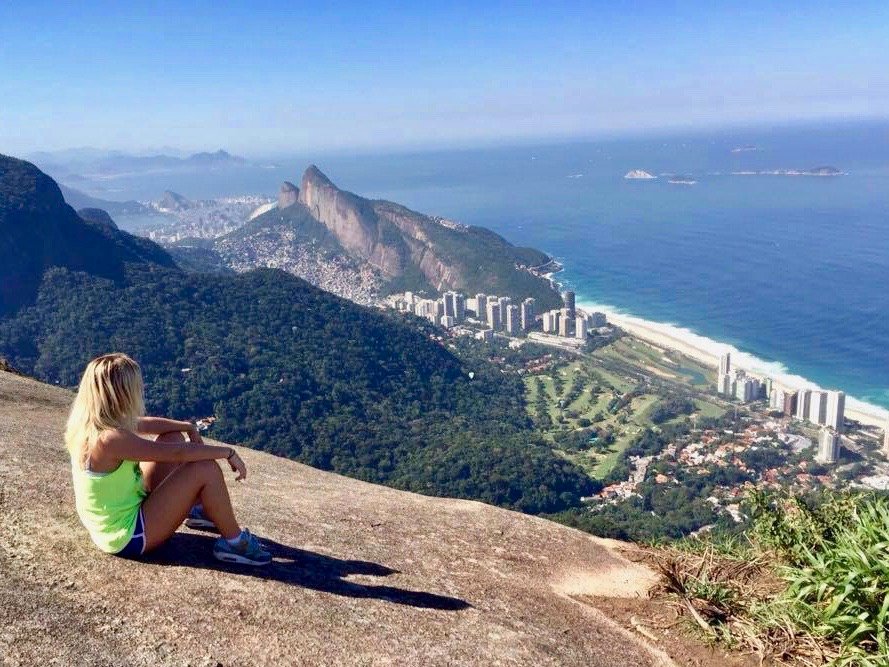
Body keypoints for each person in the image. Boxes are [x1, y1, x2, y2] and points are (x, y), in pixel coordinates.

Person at [64, 353, 271, 565]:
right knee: (205, 468)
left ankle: (206, 511)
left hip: (122, 512)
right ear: (123, 394)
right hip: (128, 536)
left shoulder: (92, 425)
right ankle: (235, 543)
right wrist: (228, 452)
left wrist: (187, 426)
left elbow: (145, 424)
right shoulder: (109, 440)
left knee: (171, 437)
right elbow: (177, 454)